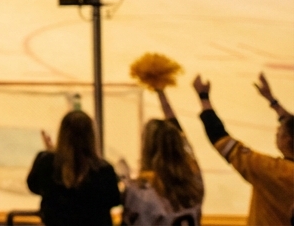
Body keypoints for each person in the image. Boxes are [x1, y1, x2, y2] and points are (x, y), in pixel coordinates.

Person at [194, 73, 294, 224]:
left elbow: (222, 140)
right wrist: (272, 101)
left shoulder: (273, 171)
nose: (276, 131)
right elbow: (290, 124)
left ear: (287, 139)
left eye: (279, 131)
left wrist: (204, 98)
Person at [119, 84, 203, 225]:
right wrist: (161, 95)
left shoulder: (140, 191)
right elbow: (185, 141)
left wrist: (124, 178)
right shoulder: (194, 181)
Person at [26, 111, 121, 226]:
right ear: (91, 136)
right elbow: (114, 199)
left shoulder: (46, 162)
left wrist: (50, 153)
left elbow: (33, 185)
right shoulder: (103, 170)